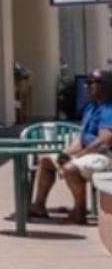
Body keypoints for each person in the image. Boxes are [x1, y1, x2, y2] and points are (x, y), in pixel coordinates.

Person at [32, 72, 112, 222]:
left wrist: (77, 156)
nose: (86, 86)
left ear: (106, 85)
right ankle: (39, 206)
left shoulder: (109, 109)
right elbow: (81, 138)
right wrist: (65, 154)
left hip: (105, 155)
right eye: (86, 83)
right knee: (46, 161)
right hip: (89, 153)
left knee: (71, 168)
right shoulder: (91, 107)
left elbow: (104, 142)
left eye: (91, 82)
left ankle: (79, 212)